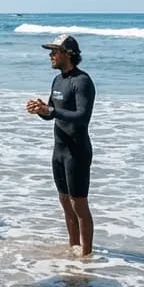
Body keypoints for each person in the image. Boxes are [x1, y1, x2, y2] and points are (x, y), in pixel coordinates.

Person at [26, 34, 96, 256]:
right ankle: (73, 247)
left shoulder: (82, 81)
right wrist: (41, 110)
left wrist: (52, 111)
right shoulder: (57, 81)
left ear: (68, 54)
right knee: (65, 202)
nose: (50, 55)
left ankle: (86, 256)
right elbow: (51, 113)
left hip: (77, 151)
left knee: (79, 204)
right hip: (59, 150)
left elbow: (82, 116)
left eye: (54, 51)